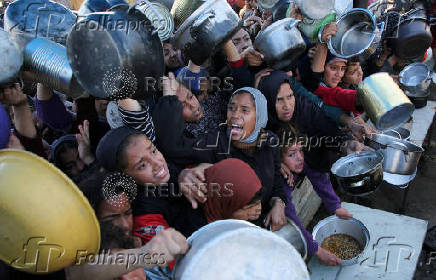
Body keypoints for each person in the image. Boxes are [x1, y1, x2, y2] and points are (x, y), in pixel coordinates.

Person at [153, 82, 288, 231]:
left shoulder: (270, 141)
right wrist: (169, 101)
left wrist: (278, 203)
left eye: (245, 110)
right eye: (231, 108)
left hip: (267, 225)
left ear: (260, 115)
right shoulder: (214, 143)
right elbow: (174, 147)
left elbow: (276, 179)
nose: (235, 115)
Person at [278, 125, 352, 266]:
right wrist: (317, 250)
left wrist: (335, 206)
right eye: (291, 154)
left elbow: (318, 177)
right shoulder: (281, 180)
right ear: (279, 159)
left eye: (300, 150)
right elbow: (289, 215)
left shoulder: (298, 163)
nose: (300, 158)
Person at [202, 158, 263, 223]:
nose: (259, 209)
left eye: (258, 203)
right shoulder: (197, 229)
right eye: (249, 207)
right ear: (224, 204)